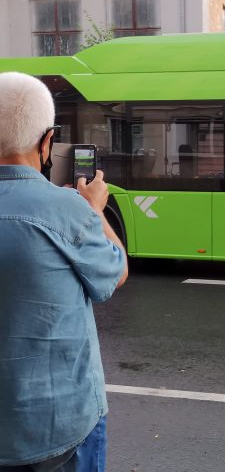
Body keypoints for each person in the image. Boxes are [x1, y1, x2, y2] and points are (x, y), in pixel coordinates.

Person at [0, 72, 128, 471]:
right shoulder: (65, 209)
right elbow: (115, 272)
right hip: (58, 427)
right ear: (46, 140)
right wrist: (93, 209)